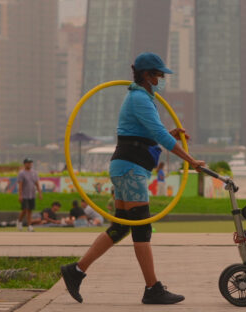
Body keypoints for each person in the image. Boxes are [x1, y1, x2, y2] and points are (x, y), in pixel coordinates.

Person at [60, 52, 205, 305]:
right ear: (147, 75)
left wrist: (170, 134)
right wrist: (190, 160)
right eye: (158, 75)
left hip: (128, 167)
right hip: (130, 170)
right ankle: (153, 288)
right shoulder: (139, 98)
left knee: (121, 227)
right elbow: (159, 134)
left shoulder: (143, 98)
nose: (160, 80)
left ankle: (76, 270)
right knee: (141, 226)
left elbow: (148, 133)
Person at [16, 158, 41, 232]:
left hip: (32, 194)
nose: (30, 164)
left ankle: (29, 226)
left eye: (30, 163)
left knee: (30, 210)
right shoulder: (22, 173)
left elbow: (37, 183)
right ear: (25, 164)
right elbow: (20, 185)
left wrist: (40, 193)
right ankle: (19, 221)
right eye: (28, 163)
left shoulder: (34, 173)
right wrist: (20, 195)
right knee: (25, 210)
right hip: (25, 194)